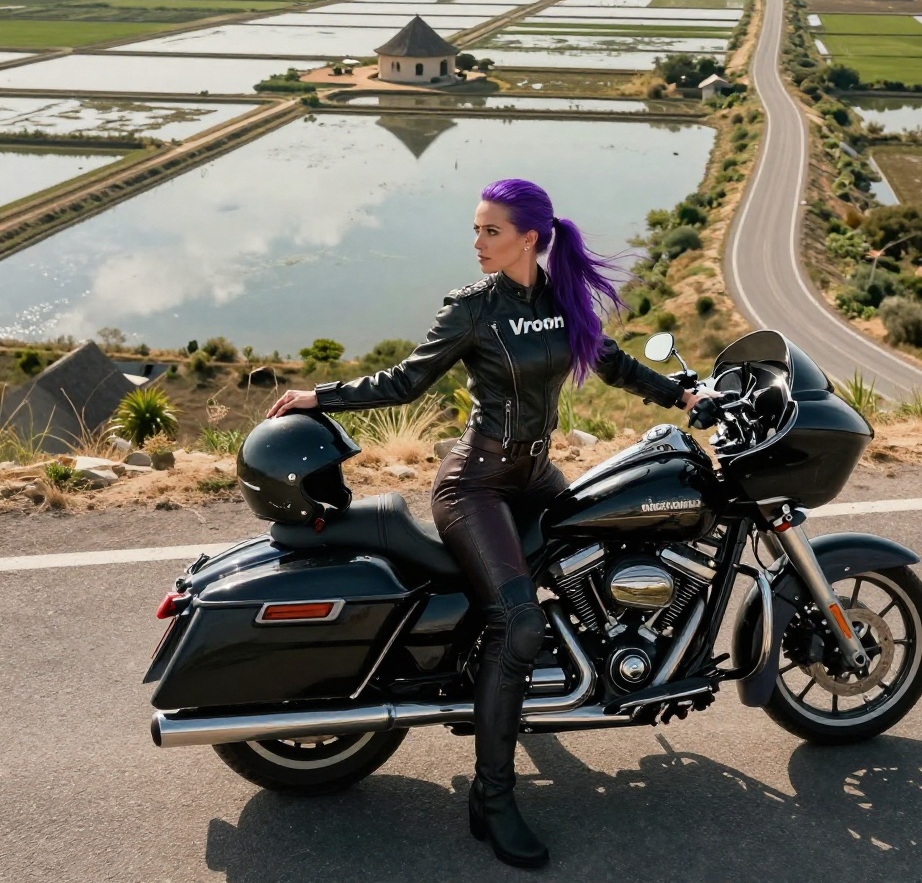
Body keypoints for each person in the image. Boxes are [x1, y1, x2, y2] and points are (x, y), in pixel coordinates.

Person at [267, 178, 701, 869]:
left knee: (598, 561)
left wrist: (682, 392)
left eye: (489, 231)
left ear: (529, 237)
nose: (476, 243)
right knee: (518, 622)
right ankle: (492, 797)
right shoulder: (474, 308)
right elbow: (405, 380)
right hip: (476, 485)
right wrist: (320, 396)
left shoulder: (562, 301)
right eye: (475, 230)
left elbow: (610, 360)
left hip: (535, 477)